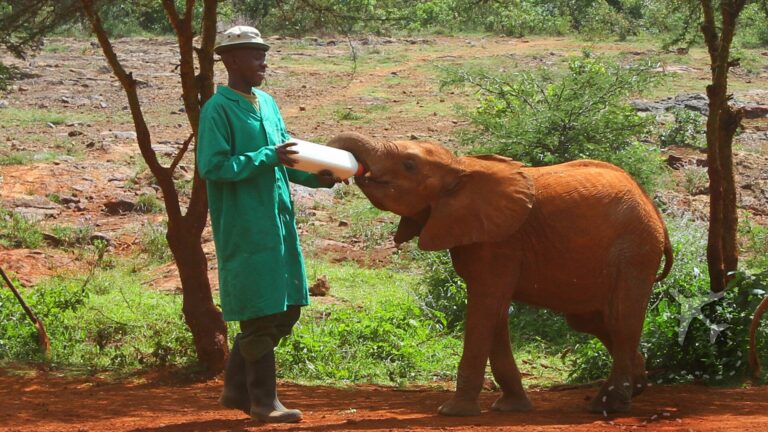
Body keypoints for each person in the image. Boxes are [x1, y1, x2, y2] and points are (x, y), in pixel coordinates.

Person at [197, 25, 341, 424]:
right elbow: (213, 166)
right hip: (245, 225)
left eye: (264, 53)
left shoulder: (267, 103)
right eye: (255, 54)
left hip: (277, 223)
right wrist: (266, 156)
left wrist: (318, 176)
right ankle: (263, 401)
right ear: (231, 60)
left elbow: (287, 157)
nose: (263, 61)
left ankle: (234, 389)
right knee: (259, 313)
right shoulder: (217, 109)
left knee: (288, 307)